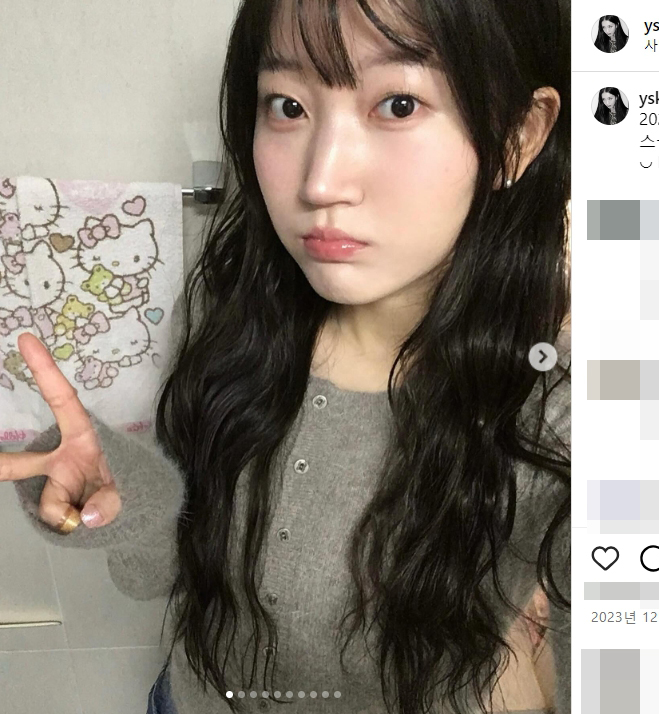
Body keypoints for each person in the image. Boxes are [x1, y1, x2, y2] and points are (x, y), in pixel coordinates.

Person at [3, 0, 571, 713]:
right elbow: (156, 577)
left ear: (520, 136)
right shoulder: (228, 310)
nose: (319, 183)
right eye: (288, 106)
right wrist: (116, 491)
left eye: (398, 105)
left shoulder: (563, 410)